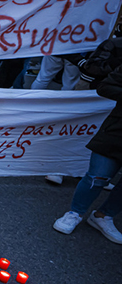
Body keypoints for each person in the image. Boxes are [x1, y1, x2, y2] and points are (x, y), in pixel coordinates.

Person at [52, 62, 122, 244]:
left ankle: (103, 216)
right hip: (117, 133)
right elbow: (106, 86)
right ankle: (75, 213)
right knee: (97, 176)